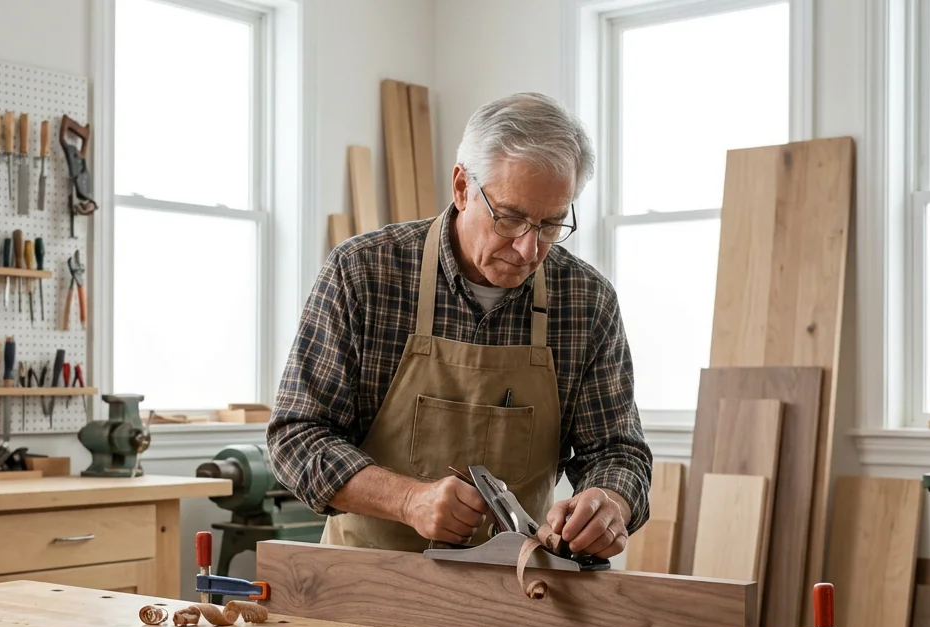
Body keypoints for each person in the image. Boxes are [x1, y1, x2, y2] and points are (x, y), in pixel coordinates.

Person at [267, 92, 651, 558]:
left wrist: (609, 502)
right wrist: (408, 500)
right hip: (369, 580)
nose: (530, 249)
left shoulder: (587, 300)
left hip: (520, 585)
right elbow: (295, 438)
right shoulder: (364, 272)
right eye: (510, 219)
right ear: (463, 188)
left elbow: (618, 451)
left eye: (551, 224)